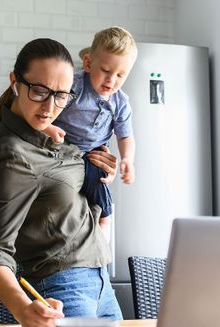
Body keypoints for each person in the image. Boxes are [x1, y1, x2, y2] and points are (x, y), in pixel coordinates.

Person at [0, 38, 123, 327]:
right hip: (64, 288)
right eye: (40, 91)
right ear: (15, 82)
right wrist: (22, 308)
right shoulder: (12, 154)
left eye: (61, 96)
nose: (49, 106)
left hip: (101, 283)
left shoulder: (53, 135)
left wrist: (100, 168)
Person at [44, 27, 138, 240]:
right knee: (64, 193)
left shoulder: (120, 102)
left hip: (93, 154)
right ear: (88, 63)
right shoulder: (73, 86)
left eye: (120, 75)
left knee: (101, 193)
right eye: (105, 70)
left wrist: (128, 160)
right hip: (61, 147)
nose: (111, 80)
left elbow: (125, 136)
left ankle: (103, 232)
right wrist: (49, 128)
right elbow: (48, 110)